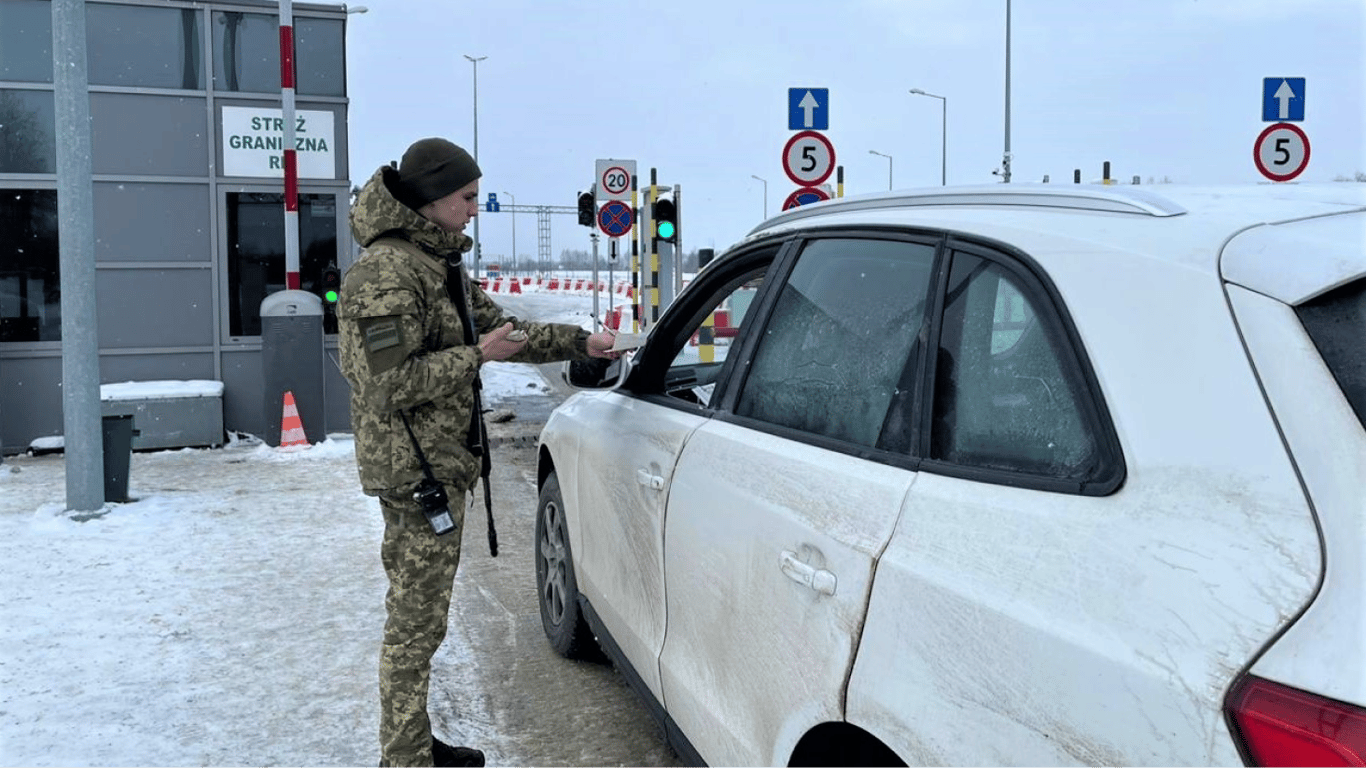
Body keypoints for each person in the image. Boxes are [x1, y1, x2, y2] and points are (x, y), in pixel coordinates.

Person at [337, 137, 617, 768]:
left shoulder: (436, 263)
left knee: (420, 619)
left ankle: (412, 745)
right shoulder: (386, 272)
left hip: (436, 465)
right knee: (415, 626)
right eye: (466, 197)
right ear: (433, 198)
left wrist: (583, 343)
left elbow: (508, 333)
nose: (473, 207)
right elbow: (383, 384)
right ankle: (406, 761)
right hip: (414, 474)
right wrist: (476, 357)